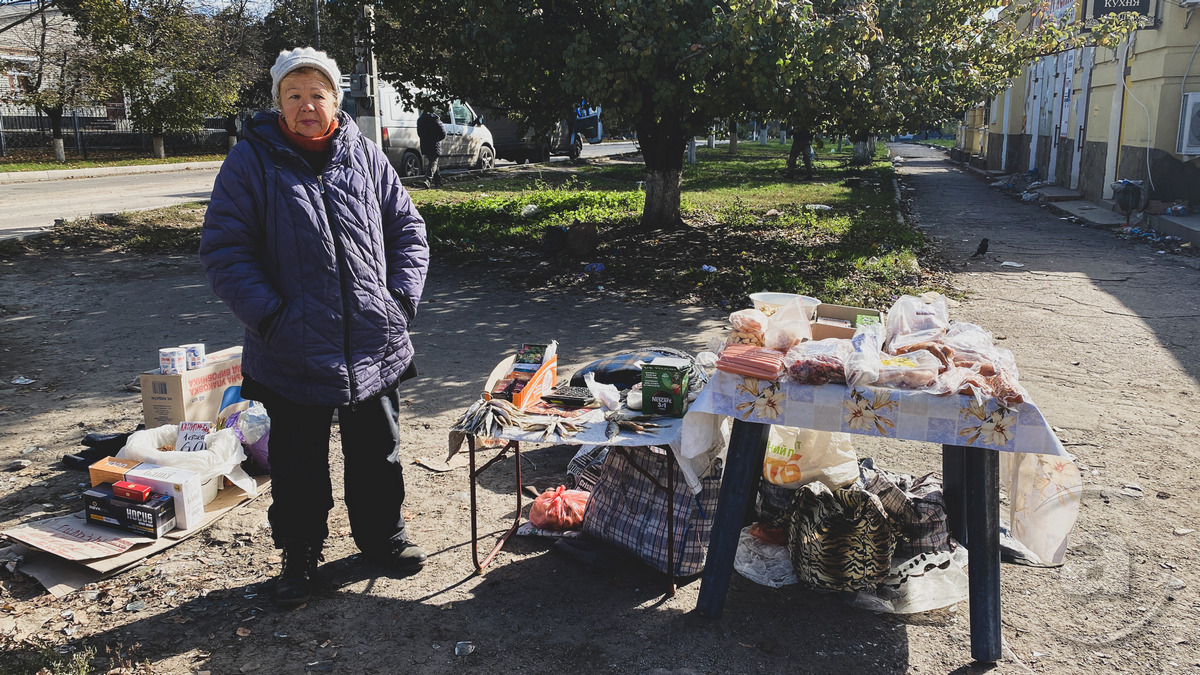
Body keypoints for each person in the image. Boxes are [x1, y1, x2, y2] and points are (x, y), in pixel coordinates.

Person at [199, 47, 431, 608]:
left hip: (373, 343)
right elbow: (226, 252)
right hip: (290, 349)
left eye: (317, 94)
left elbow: (408, 230)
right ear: (278, 102)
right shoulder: (251, 160)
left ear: (336, 99)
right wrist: (273, 317)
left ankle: (382, 539)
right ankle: (299, 556)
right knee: (300, 466)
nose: (307, 106)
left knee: (380, 452)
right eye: (294, 95)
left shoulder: (366, 156)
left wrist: (399, 299)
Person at [416, 110, 446, 187]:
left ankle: (438, 180)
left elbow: (419, 132)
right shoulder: (435, 119)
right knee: (433, 162)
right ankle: (427, 180)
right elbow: (443, 133)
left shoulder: (420, 120)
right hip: (434, 143)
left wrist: (424, 138)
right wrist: (437, 138)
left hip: (425, 143)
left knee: (433, 162)